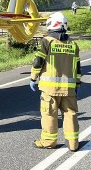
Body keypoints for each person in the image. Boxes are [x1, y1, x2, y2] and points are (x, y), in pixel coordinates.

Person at [30, 12, 81, 151]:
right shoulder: (73, 44)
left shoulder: (47, 41)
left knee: (49, 114)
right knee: (70, 114)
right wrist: (77, 83)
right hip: (69, 89)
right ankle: (73, 143)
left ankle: (48, 142)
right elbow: (77, 66)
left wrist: (33, 77)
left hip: (49, 89)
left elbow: (38, 61)